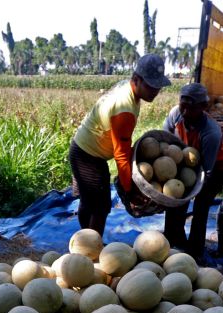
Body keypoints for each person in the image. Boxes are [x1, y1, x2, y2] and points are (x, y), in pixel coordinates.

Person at [70, 54, 170, 236]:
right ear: (136, 80)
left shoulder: (129, 89)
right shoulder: (124, 108)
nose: (155, 91)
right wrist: (129, 188)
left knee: (89, 201)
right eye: (150, 86)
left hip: (82, 148)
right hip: (88, 156)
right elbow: (121, 154)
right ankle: (93, 248)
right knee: (101, 207)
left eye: (158, 86)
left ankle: (85, 241)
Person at [162, 82, 223, 259]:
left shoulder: (211, 133)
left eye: (190, 108)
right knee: (175, 199)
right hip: (186, 161)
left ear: (203, 107)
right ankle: (172, 240)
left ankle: (195, 250)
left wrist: (188, 190)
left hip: (214, 168)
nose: (185, 112)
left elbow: (204, 172)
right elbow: (164, 137)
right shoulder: (176, 114)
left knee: (201, 205)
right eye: (182, 105)